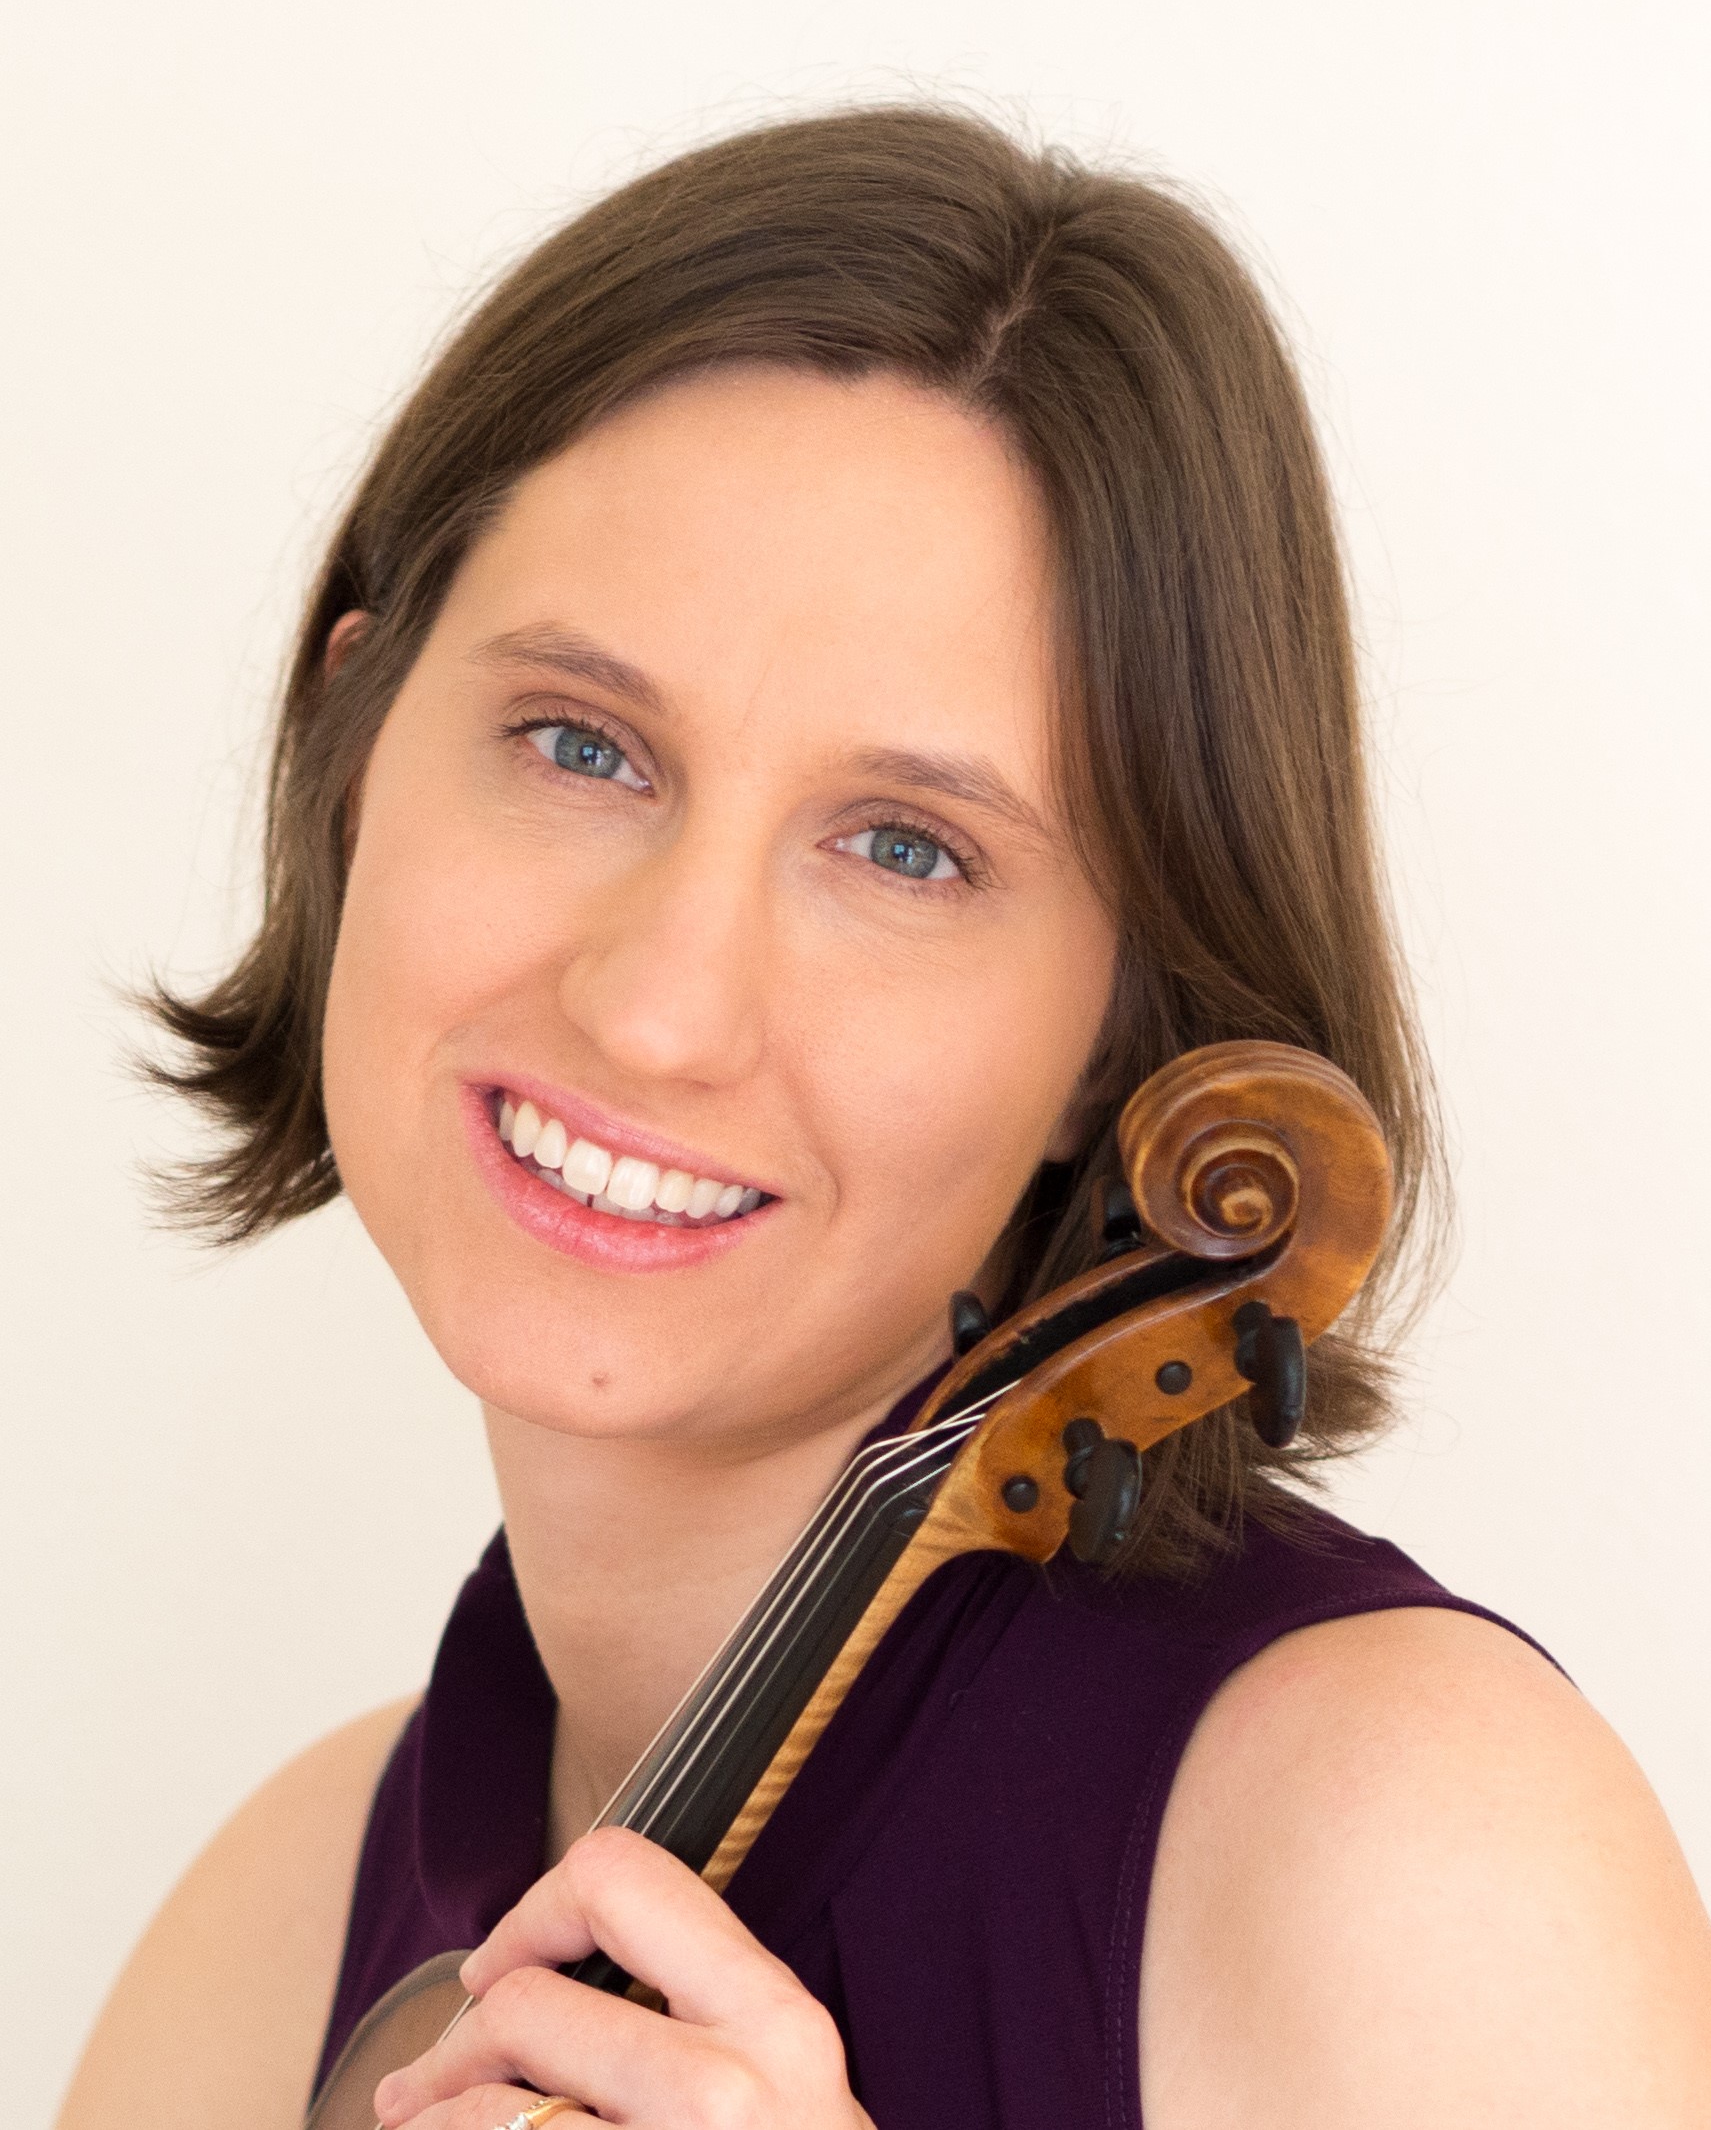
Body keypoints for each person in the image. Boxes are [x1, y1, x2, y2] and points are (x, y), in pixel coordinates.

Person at [58, 106, 1711, 2130]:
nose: (659, 1005)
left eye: (905, 851)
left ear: (1119, 1041)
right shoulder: (273, 1942)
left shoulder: (1406, 1850)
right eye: (579, 742)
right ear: (351, 741)